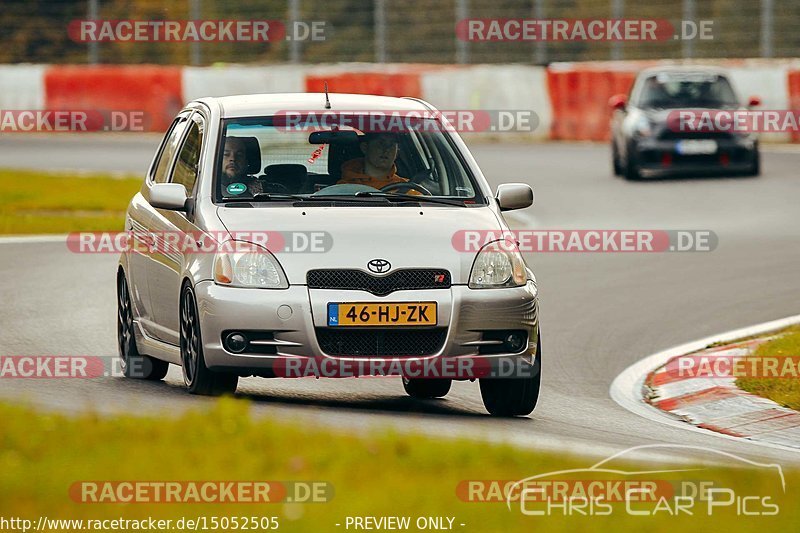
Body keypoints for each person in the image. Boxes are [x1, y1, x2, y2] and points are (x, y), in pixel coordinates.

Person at [338, 133, 412, 190]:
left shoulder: (409, 189)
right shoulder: (343, 188)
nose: (386, 150)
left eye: (392, 145)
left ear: (397, 153)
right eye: (380, 143)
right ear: (364, 148)